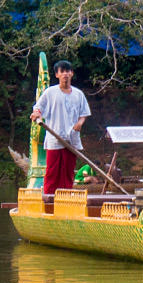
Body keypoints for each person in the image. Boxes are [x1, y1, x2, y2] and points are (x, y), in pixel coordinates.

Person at [30, 60, 90, 195]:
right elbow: (38, 108)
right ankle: (49, 200)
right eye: (62, 71)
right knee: (52, 172)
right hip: (54, 138)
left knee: (68, 172)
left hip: (71, 139)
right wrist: (36, 114)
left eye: (68, 71)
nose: (65, 74)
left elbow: (84, 114)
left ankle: (66, 198)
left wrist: (79, 124)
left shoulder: (78, 94)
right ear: (57, 75)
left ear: (72, 73)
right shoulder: (50, 92)